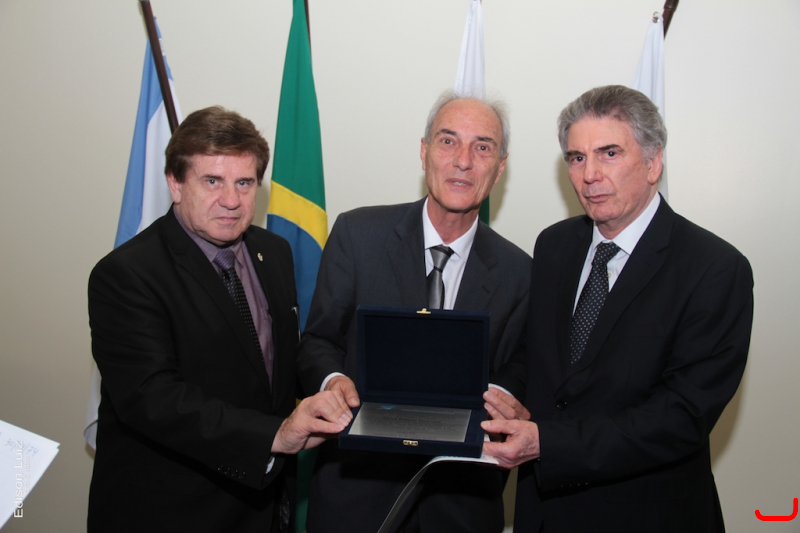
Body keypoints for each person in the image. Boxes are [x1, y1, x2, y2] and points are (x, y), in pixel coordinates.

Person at [482, 85, 754, 532]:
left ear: (653, 162)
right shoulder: (554, 245)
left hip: (648, 514)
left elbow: (681, 416)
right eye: (576, 158)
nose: (590, 175)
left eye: (609, 153)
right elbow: (537, 354)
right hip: (544, 511)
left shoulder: (714, 268)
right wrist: (497, 396)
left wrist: (549, 442)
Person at [87, 106, 352, 533]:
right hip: (173, 511)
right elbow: (153, 398)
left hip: (265, 503)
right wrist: (274, 435)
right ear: (175, 183)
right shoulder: (127, 274)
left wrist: (329, 384)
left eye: (244, 183)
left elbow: (274, 363)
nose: (231, 200)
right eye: (212, 181)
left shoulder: (274, 253)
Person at [296, 92, 531, 533]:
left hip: (462, 505)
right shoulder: (357, 235)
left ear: (500, 168)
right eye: (448, 141)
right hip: (356, 497)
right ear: (424, 152)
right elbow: (318, 341)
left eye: (482, 147)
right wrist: (334, 382)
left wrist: (499, 395)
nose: (463, 161)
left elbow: (519, 363)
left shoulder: (521, 270)